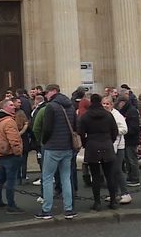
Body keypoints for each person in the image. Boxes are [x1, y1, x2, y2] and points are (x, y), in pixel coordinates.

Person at [36, 84, 77, 220]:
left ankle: (46, 210)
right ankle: (69, 209)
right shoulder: (71, 106)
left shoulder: (51, 107)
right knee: (66, 178)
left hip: (53, 147)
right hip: (68, 147)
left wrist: (44, 141)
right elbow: (76, 125)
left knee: (47, 178)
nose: (45, 95)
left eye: (46, 93)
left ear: (53, 92)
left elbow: (47, 129)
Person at [78, 94, 118, 211]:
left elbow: (81, 132)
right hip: (106, 144)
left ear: (91, 102)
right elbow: (114, 131)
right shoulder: (108, 115)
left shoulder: (86, 116)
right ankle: (113, 201)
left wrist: (86, 143)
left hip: (92, 145)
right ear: (100, 102)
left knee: (95, 176)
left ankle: (97, 202)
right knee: (109, 175)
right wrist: (110, 141)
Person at [0, 99, 24, 214]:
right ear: (5, 107)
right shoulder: (9, 121)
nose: (14, 107)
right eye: (11, 105)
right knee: (11, 180)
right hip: (10, 154)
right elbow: (14, 140)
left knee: (1, 178)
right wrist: (18, 152)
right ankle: (11, 205)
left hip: (1, 152)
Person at [102, 96, 132, 205]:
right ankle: (114, 193)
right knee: (110, 171)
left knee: (117, 170)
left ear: (112, 105)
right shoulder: (103, 115)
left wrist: (112, 131)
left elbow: (124, 129)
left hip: (118, 146)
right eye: (104, 104)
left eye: (107, 104)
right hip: (108, 145)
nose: (105, 106)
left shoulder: (117, 115)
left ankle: (125, 193)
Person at [118, 95, 140, 187]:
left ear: (122, 102)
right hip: (128, 139)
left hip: (131, 139)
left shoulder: (131, 111)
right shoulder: (128, 111)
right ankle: (131, 177)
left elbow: (133, 127)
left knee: (132, 159)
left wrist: (125, 132)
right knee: (128, 159)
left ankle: (135, 178)